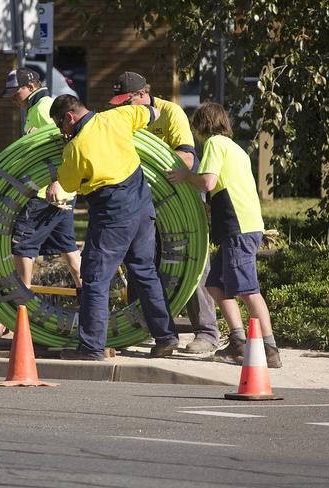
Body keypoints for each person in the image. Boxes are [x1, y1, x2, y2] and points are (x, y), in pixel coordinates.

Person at [49, 94, 179, 360]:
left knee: (96, 279)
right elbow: (152, 113)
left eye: (60, 125)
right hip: (143, 208)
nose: (61, 131)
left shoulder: (76, 148)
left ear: (69, 117)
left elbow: (69, 186)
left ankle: (91, 347)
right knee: (145, 271)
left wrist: (55, 177)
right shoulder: (118, 116)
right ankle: (166, 337)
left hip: (112, 214)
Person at [109, 71, 219, 354]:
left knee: (192, 259)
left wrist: (149, 169)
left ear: (143, 96)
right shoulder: (124, 118)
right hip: (142, 195)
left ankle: (206, 332)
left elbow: (185, 158)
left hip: (178, 195)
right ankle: (144, 326)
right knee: (141, 258)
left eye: (126, 101)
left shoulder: (171, 114)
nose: (121, 108)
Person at [166, 101, 282, 368]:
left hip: (237, 227)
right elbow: (223, 186)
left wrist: (185, 176)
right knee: (215, 284)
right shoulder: (236, 149)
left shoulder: (215, 144)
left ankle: (270, 348)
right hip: (243, 224)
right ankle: (238, 343)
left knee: (248, 290)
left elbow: (208, 181)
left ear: (202, 125)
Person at [0, 67, 82, 291]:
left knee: (22, 243)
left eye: (17, 93)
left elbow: (66, 142)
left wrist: (57, 180)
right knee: (68, 246)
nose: (14, 99)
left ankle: (22, 302)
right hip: (61, 193)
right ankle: (87, 295)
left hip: (46, 192)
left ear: (31, 87)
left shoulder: (44, 107)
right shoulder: (38, 108)